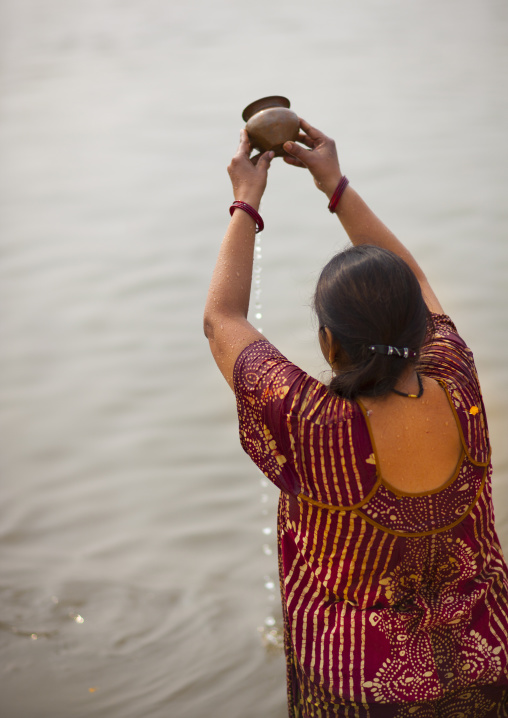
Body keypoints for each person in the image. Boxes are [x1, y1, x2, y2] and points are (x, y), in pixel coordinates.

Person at [203, 119, 508, 718]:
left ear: (327, 341)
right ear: (422, 330)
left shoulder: (312, 425)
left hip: (358, 689)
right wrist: (334, 184)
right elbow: (414, 278)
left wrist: (246, 199)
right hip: (486, 662)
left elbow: (222, 320)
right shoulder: (457, 376)